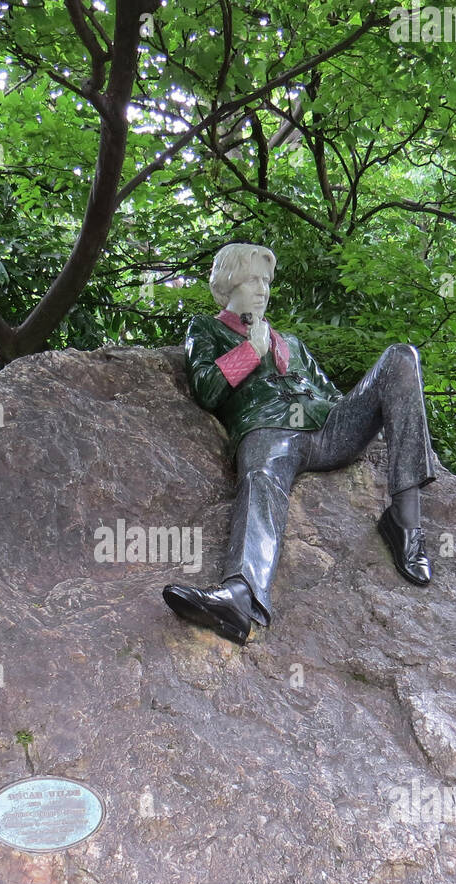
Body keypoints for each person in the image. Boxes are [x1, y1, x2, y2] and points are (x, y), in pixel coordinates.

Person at [164, 242, 438, 645]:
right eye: (252, 279)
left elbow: (332, 393)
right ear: (227, 284)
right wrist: (251, 351)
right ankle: (239, 596)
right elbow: (206, 389)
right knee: (261, 480)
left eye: (266, 281)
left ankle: (405, 521)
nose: (262, 289)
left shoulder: (290, 341)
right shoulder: (205, 329)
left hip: (327, 427)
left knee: (400, 356)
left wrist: (369, 409)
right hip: (268, 430)